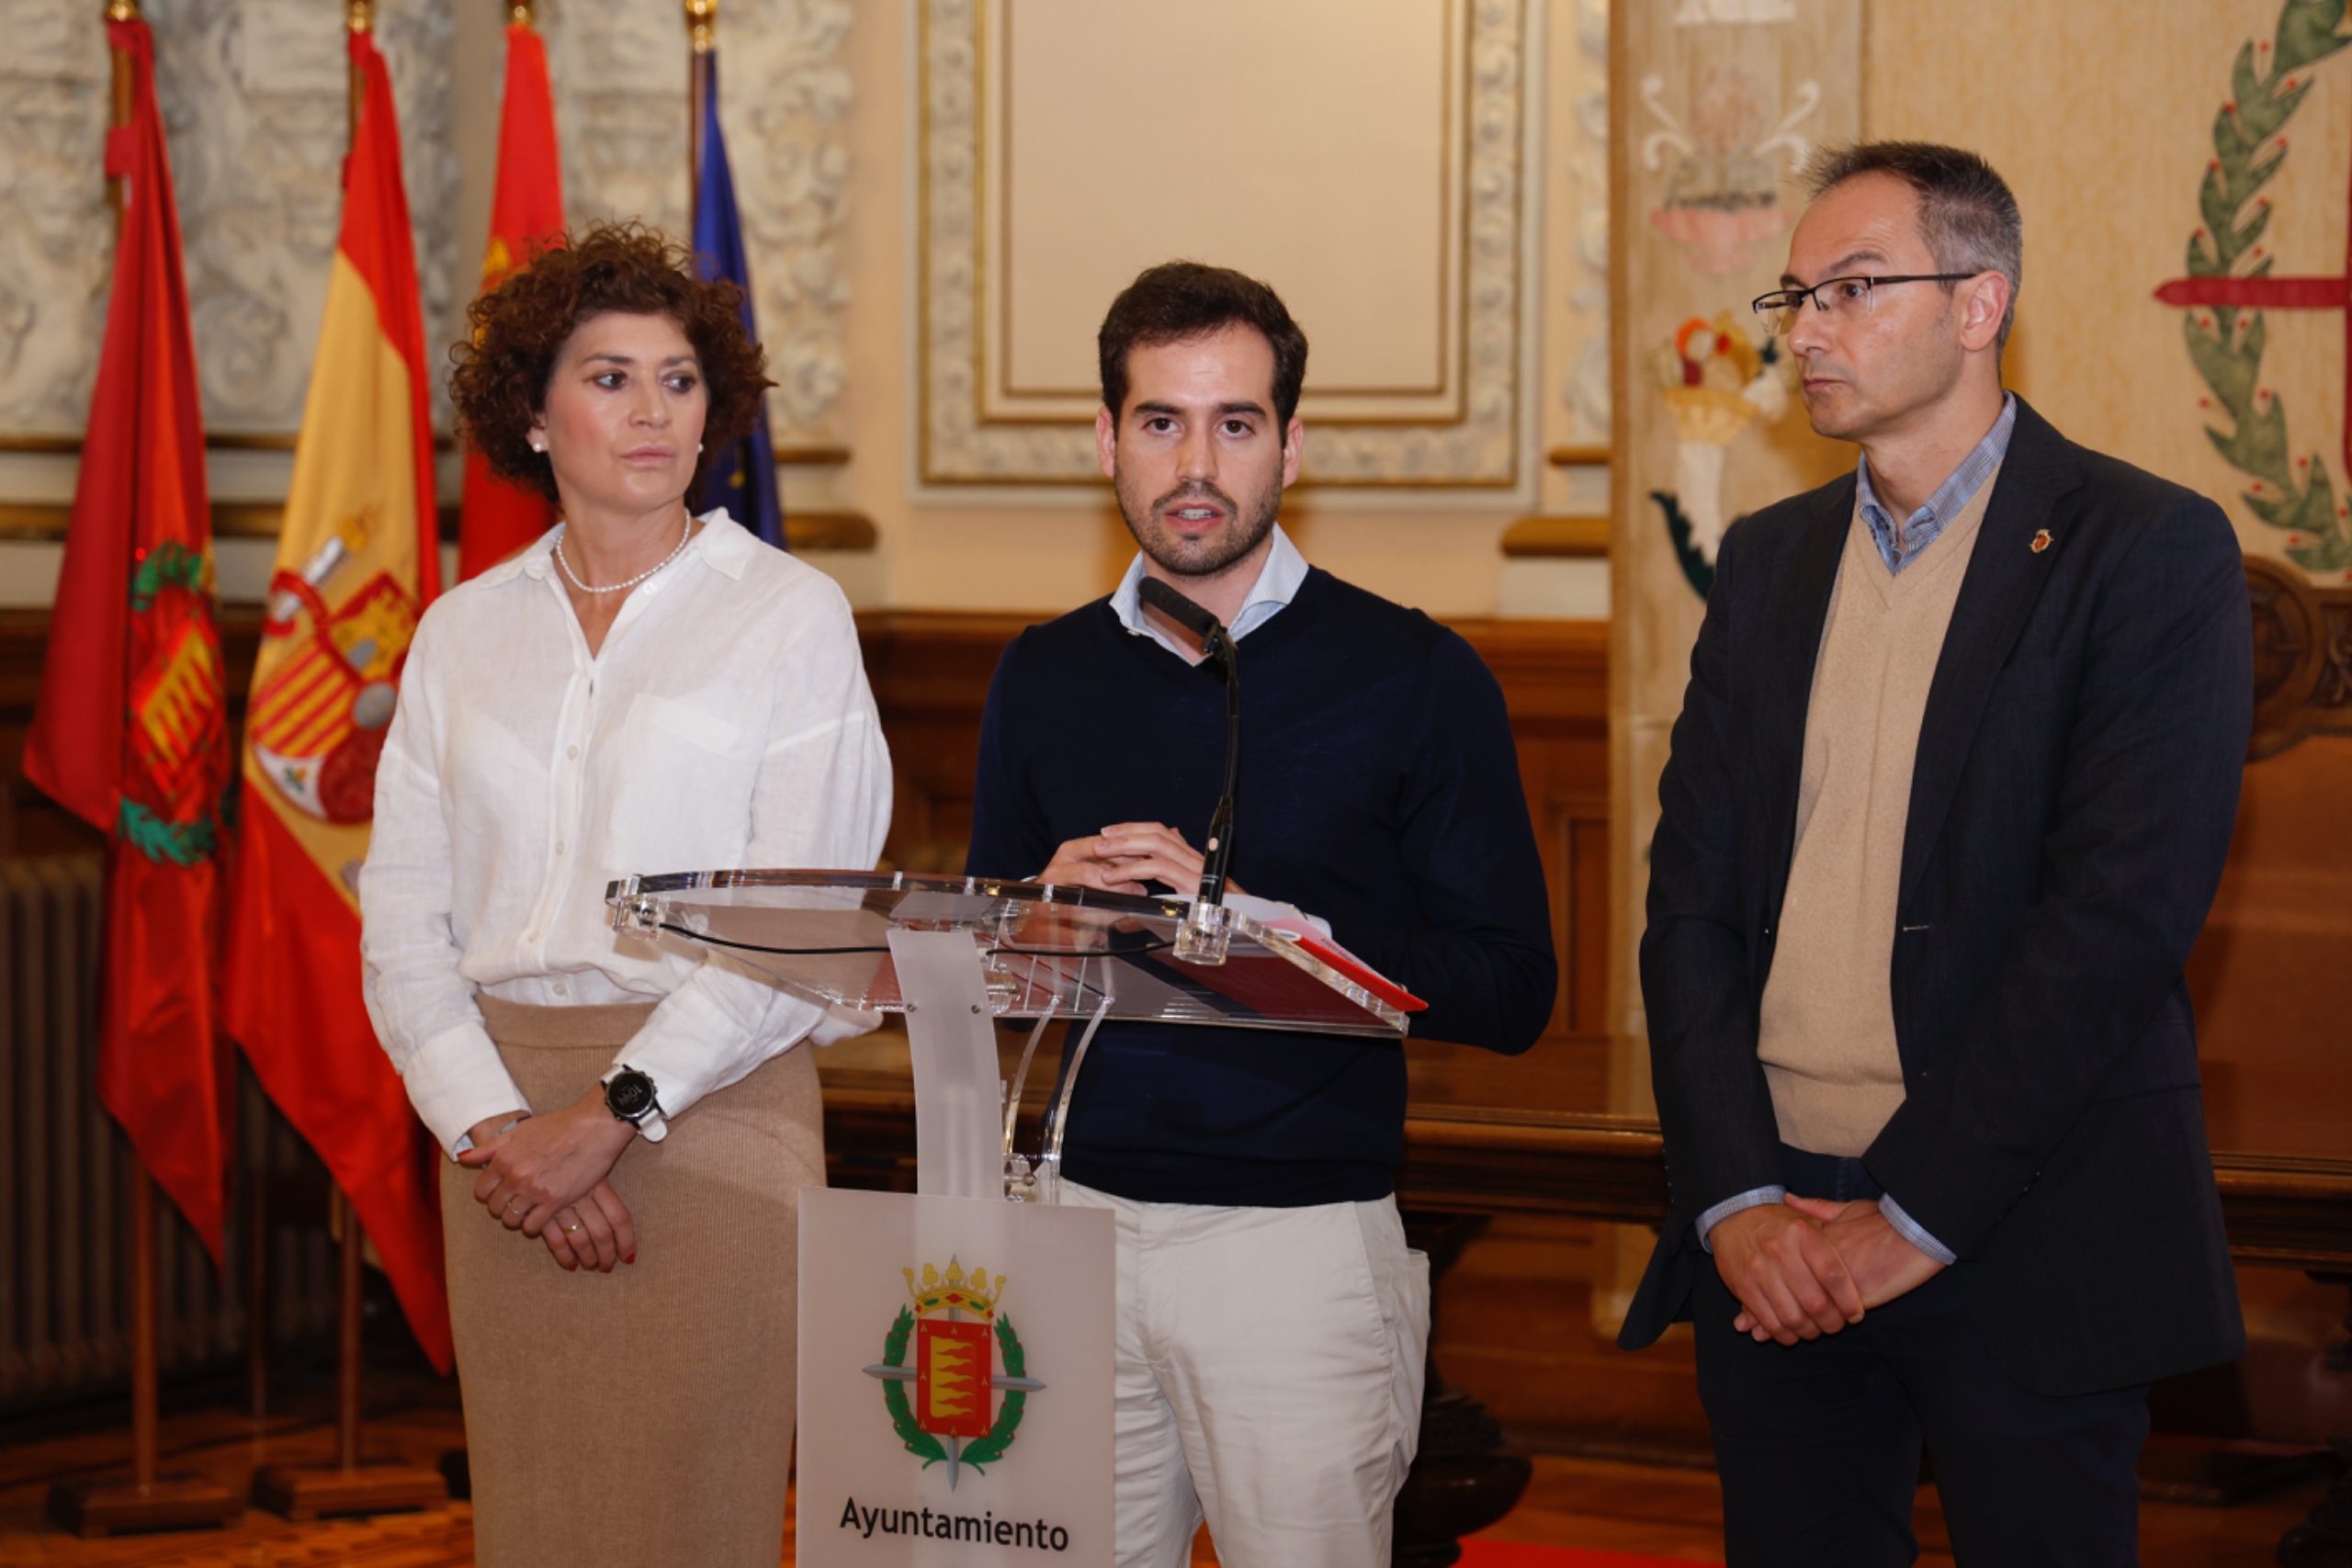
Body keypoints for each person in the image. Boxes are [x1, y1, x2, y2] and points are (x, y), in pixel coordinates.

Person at [1618, 142, 2251, 1564]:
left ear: (1979, 304)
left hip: (2027, 1220)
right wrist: (1735, 1202)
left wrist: (1911, 1216)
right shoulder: (1769, 562)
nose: (1807, 331)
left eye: (1853, 289)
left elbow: (2115, 925)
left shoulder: (2145, 550)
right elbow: (1690, 909)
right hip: (1775, 1225)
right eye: (1796, 296)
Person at [964, 261, 1556, 1568]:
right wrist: (1029, 925)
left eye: (1235, 423)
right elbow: (988, 980)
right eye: (1160, 421)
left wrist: (1278, 936)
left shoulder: (1414, 674)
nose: (1196, 464)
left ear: (1291, 445)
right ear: (1106, 439)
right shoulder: (1042, 673)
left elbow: (1514, 989)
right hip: (1072, 1224)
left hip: (1298, 1251)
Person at [358, 222, 888, 1568]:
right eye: (610, 378)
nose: (653, 410)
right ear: (534, 417)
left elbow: (799, 925)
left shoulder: (790, 613)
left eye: (679, 379)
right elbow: (403, 924)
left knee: (691, 1524)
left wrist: (610, 1117)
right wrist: (496, 1131)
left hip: (716, 1113)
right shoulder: (460, 633)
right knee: (535, 1524)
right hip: (497, 1140)